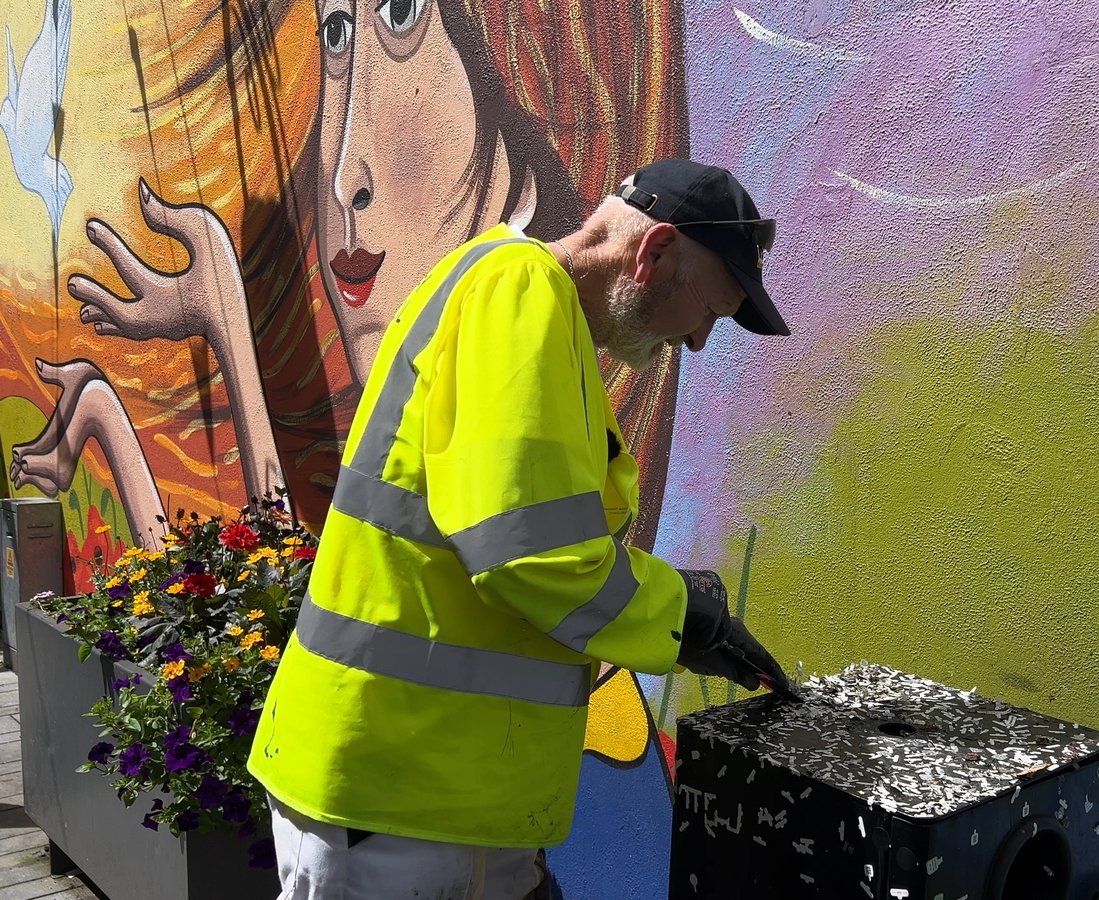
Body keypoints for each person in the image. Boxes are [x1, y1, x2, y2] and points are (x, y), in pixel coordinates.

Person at [246, 157, 794, 899]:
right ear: (655, 251)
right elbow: (527, 554)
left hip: (427, 790)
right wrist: (684, 617)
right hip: (401, 798)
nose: (698, 341)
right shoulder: (519, 291)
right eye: (708, 311)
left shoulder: (532, 309)